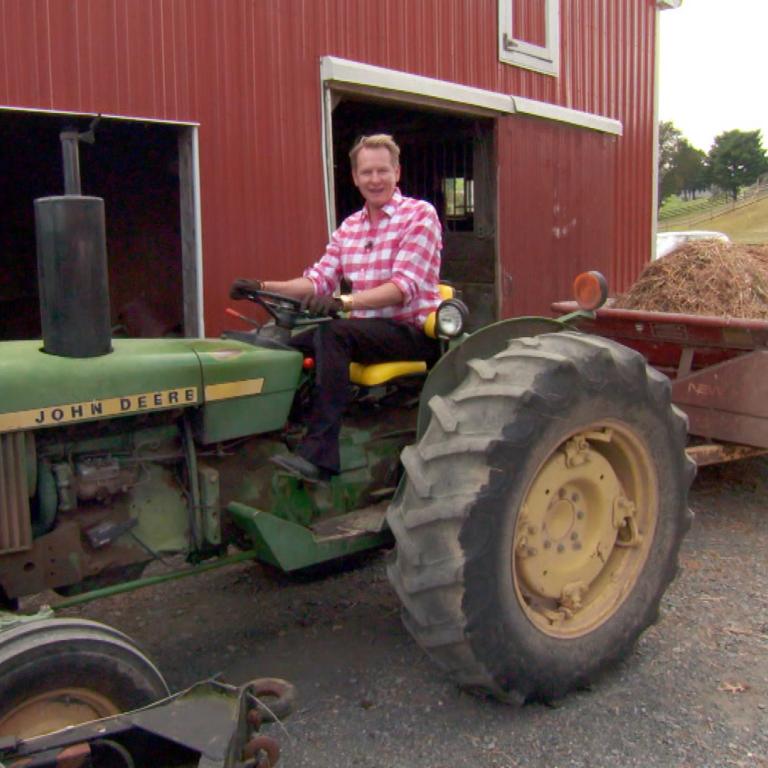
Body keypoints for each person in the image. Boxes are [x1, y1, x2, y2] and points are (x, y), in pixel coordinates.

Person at [230, 134, 442, 482]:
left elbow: (402, 288)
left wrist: (344, 302)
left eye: (382, 171)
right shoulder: (350, 228)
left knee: (332, 333)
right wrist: (261, 287)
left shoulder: (418, 216)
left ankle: (321, 456)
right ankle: (274, 434)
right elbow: (317, 280)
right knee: (280, 346)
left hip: (409, 332)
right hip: (364, 332)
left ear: (397, 172)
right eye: (366, 172)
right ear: (355, 177)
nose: (375, 180)